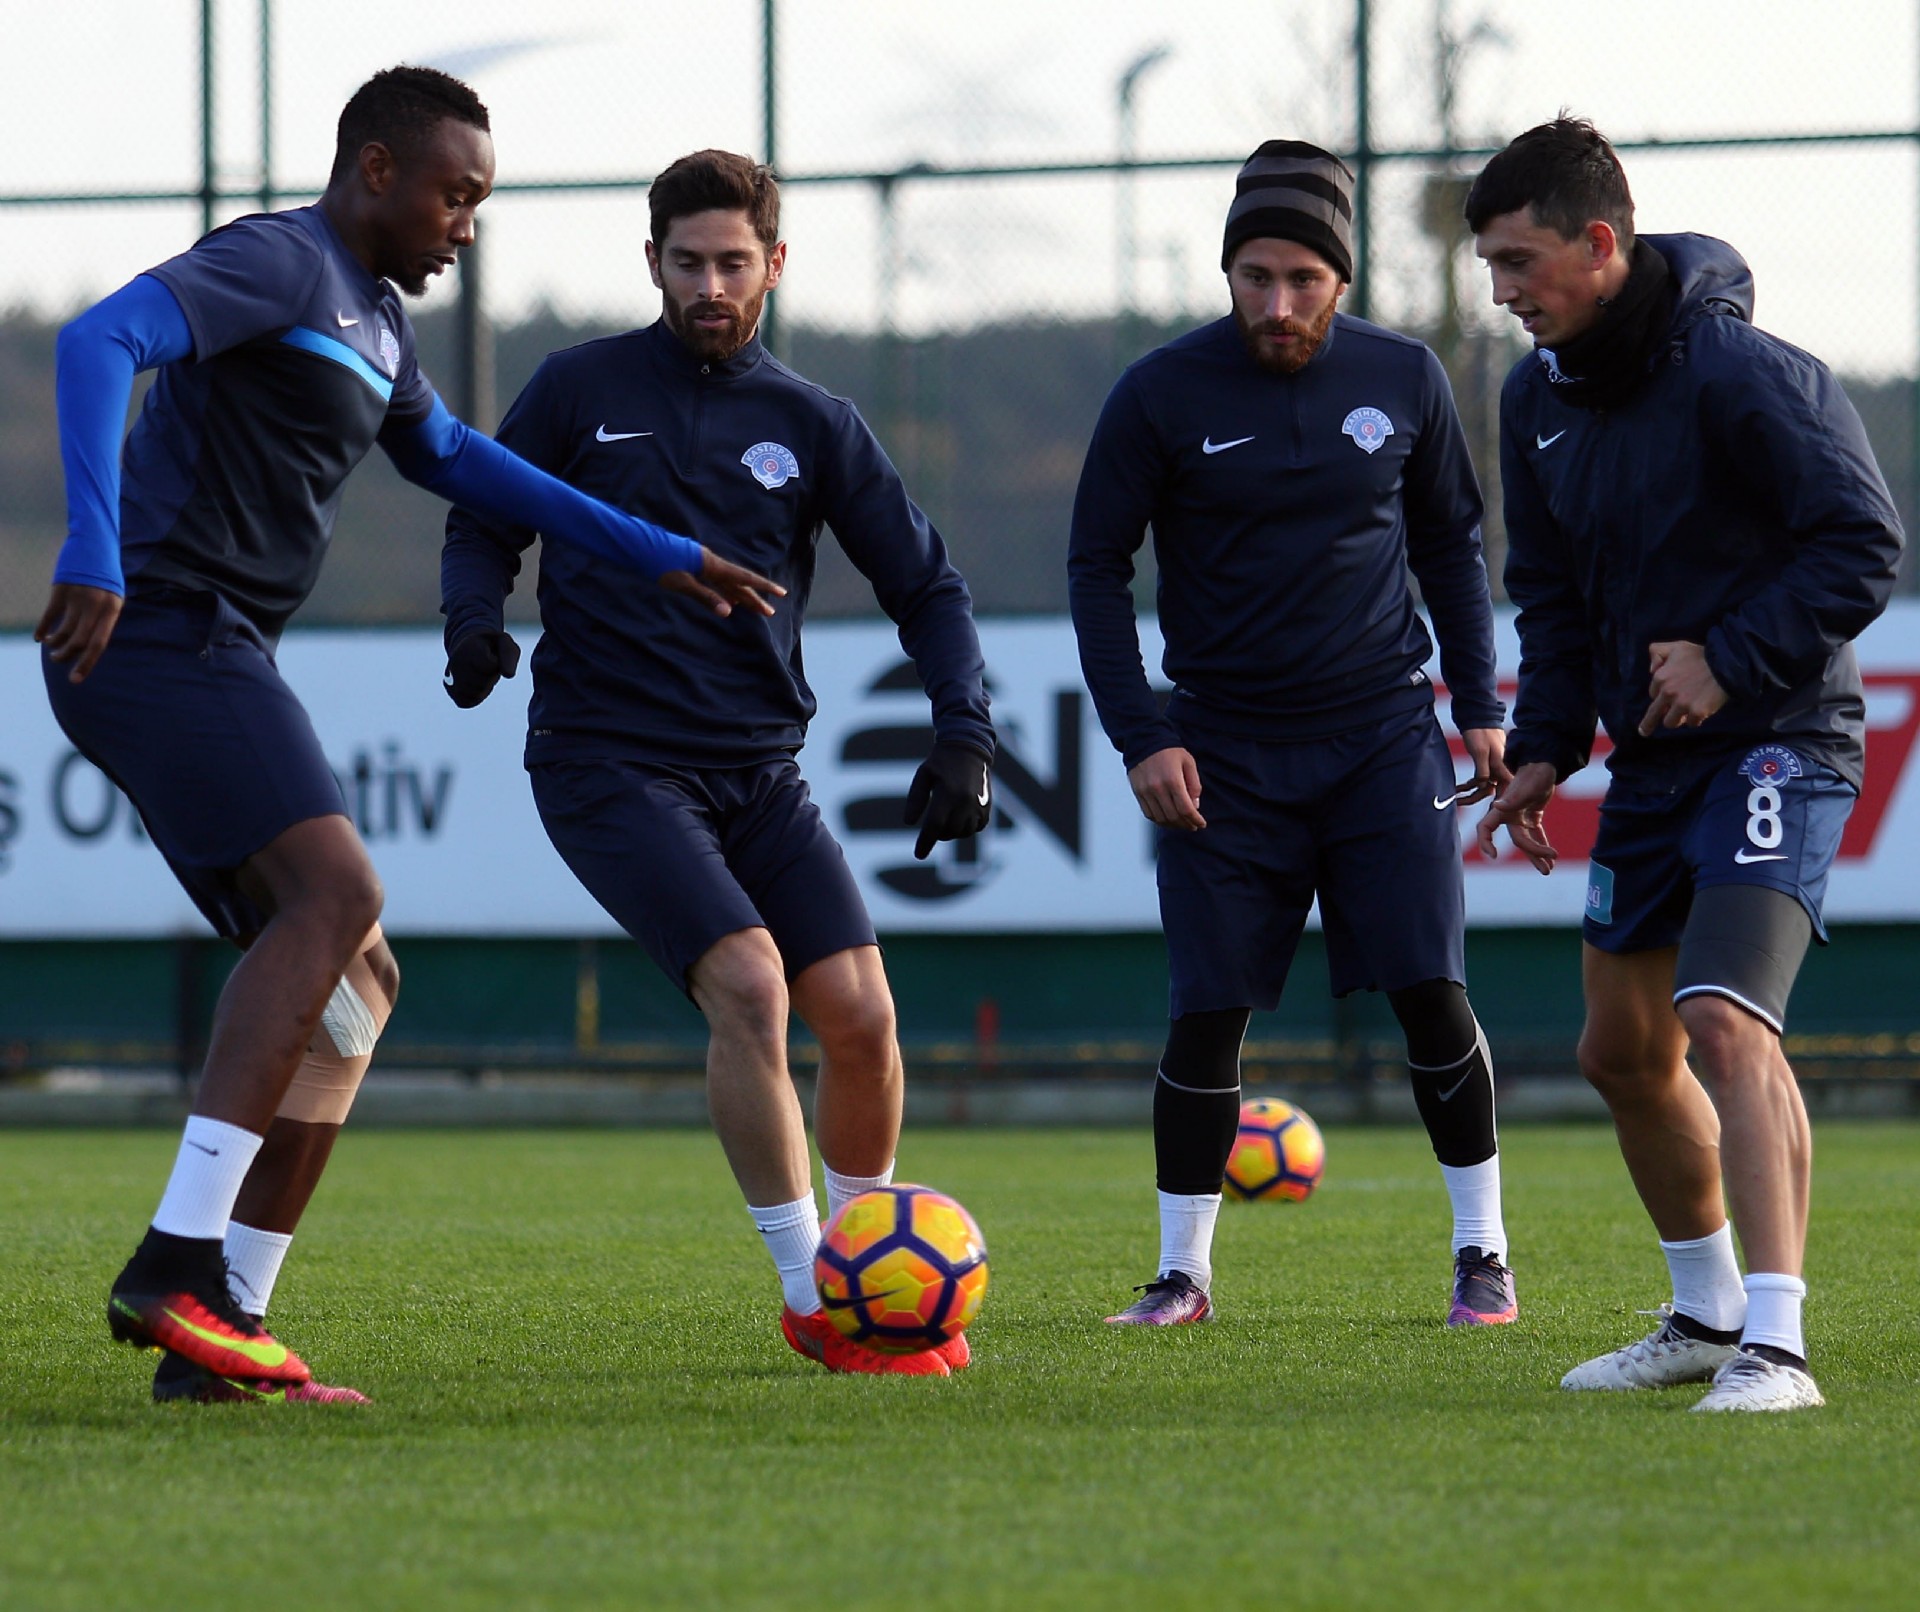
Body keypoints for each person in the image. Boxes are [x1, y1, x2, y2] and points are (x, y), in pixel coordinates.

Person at [40, 67, 780, 1405]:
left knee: (357, 980)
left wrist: (658, 548)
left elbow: (459, 459)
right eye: (456, 194)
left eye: (480, 201)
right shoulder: (282, 260)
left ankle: (221, 1332)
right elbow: (98, 342)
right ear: (376, 170)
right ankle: (173, 1261)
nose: (467, 226)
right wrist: (92, 543)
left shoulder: (377, 322)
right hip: (154, 632)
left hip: (214, 646)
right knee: (334, 897)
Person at [440, 149, 994, 1377]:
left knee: (862, 1018)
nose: (709, 285)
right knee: (751, 985)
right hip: (605, 761)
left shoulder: (813, 423)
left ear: (775, 265)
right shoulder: (577, 389)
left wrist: (964, 728)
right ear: (652, 261)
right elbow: (482, 516)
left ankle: (867, 1267)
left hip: (759, 772)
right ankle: (817, 1299)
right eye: (687, 262)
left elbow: (928, 586)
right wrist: (473, 620)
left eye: (733, 263)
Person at [1467, 118, 1902, 1412]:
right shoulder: (1534, 398)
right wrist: (1546, 746)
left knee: (1724, 1018)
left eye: (1519, 260)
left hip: (1779, 742)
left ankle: (1780, 1345)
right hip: (1652, 767)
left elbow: (1861, 542)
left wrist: (1727, 655)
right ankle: (1707, 1316)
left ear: (1600, 244)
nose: (1501, 290)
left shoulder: (1743, 372)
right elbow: (1551, 597)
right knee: (1619, 1049)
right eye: (1490, 265)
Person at [1068, 140, 1517, 1330]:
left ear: (1342, 279)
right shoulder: (1160, 392)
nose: (1277, 303)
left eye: (1303, 279)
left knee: (1431, 991)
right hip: (1222, 752)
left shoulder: (1405, 375)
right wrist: (1140, 734)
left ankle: (1483, 1256)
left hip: (1382, 736)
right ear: (1228, 274)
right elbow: (1095, 566)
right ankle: (1183, 1276)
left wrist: (1479, 703)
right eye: (1256, 277)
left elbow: (1452, 548)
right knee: (1207, 1009)